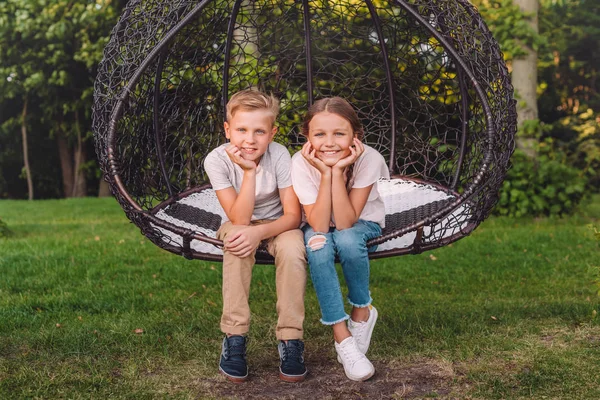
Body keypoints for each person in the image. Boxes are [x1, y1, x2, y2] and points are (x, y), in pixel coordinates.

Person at [204, 89, 307, 383]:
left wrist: (260, 232)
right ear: (227, 130)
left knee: (292, 249)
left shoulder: (279, 155)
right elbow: (238, 218)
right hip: (238, 220)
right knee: (236, 242)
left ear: (272, 133)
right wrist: (248, 173)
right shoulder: (216, 160)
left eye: (259, 131)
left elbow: (293, 216)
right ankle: (234, 338)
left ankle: (291, 339)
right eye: (241, 130)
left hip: (278, 224)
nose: (250, 139)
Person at [291, 97, 390, 381]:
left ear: (355, 136)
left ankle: (362, 311)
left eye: (339, 134)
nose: (329, 142)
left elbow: (346, 223)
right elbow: (320, 224)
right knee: (318, 246)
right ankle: (342, 336)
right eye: (319, 134)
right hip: (320, 225)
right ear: (307, 137)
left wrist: (339, 170)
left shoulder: (369, 158)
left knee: (346, 240)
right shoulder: (300, 162)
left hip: (363, 224)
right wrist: (326, 173)